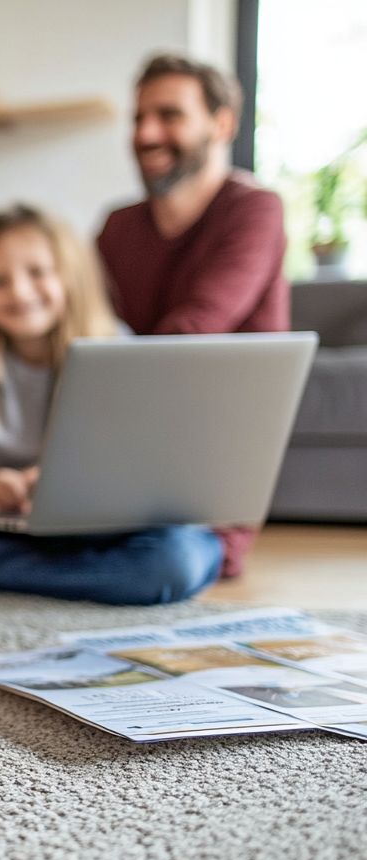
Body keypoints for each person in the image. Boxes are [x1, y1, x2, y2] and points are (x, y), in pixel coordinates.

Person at [0, 204, 224, 605]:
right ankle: (90, 578)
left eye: (38, 273)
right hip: (13, 525)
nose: (20, 293)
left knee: (177, 559)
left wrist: (59, 481)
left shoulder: (113, 347)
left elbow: (153, 466)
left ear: (68, 276)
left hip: (103, 527)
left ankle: (7, 576)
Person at [97, 52, 290, 578]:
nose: (146, 132)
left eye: (169, 115)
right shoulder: (118, 228)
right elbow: (84, 326)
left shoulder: (255, 210)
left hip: (209, 476)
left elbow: (194, 329)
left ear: (222, 123)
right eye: (138, 118)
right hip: (124, 457)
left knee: (171, 561)